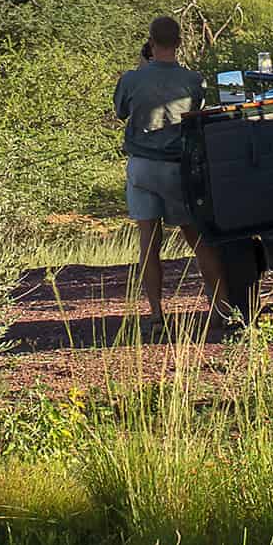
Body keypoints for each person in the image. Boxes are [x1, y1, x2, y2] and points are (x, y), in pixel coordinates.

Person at [114, 16, 227, 328]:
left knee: (148, 242)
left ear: (150, 43)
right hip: (177, 168)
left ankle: (156, 314)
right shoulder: (193, 80)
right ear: (179, 43)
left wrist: (141, 66)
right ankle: (219, 308)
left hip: (141, 166)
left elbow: (121, 111)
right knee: (198, 239)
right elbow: (195, 114)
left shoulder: (131, 79)